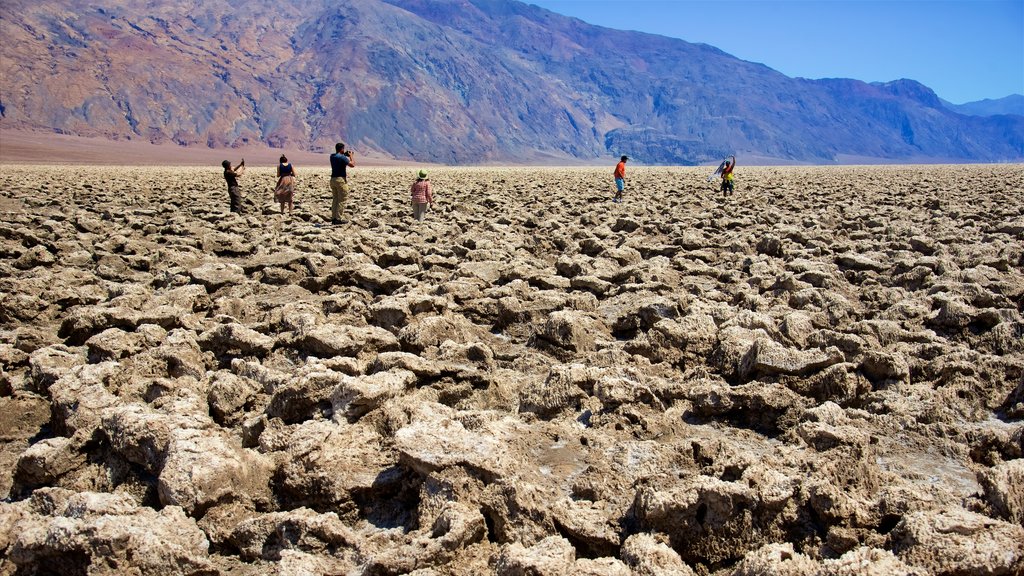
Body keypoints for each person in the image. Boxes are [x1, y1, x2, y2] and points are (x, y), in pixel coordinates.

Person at [330, 142, 355, 224]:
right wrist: (351, 156)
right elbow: (352, 165)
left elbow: (338, 156)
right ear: (342, 149)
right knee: (342, 200)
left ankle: (333, 218)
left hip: (333, 180)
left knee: (335, 199)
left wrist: (344, 154)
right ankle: (338, 219)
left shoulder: (332, 156)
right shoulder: (342, 158)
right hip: (340, 180)